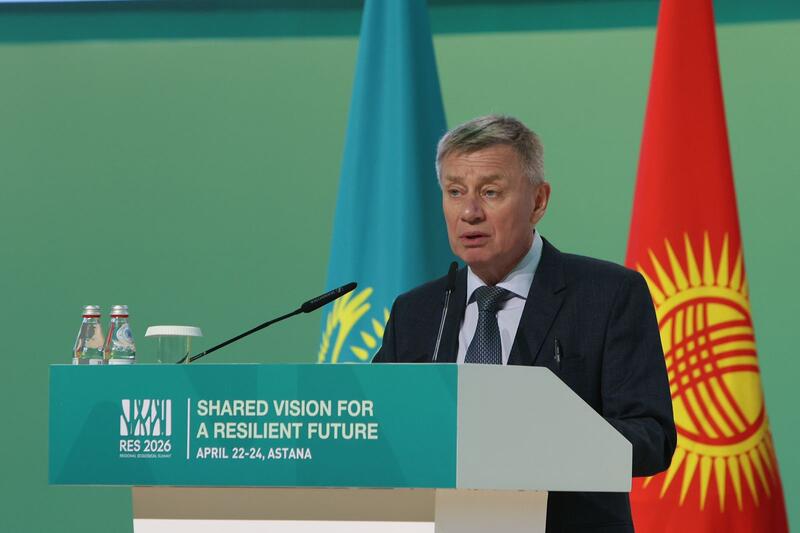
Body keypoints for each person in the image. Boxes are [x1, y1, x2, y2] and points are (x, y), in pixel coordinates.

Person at [373, 115, 676, 533]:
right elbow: (380, 431)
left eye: (490, 192)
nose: (469, 212)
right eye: (455, 192)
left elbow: (651, 438)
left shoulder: (607, 295)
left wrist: (543, 442)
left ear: (538, 201)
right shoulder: (416, 312)